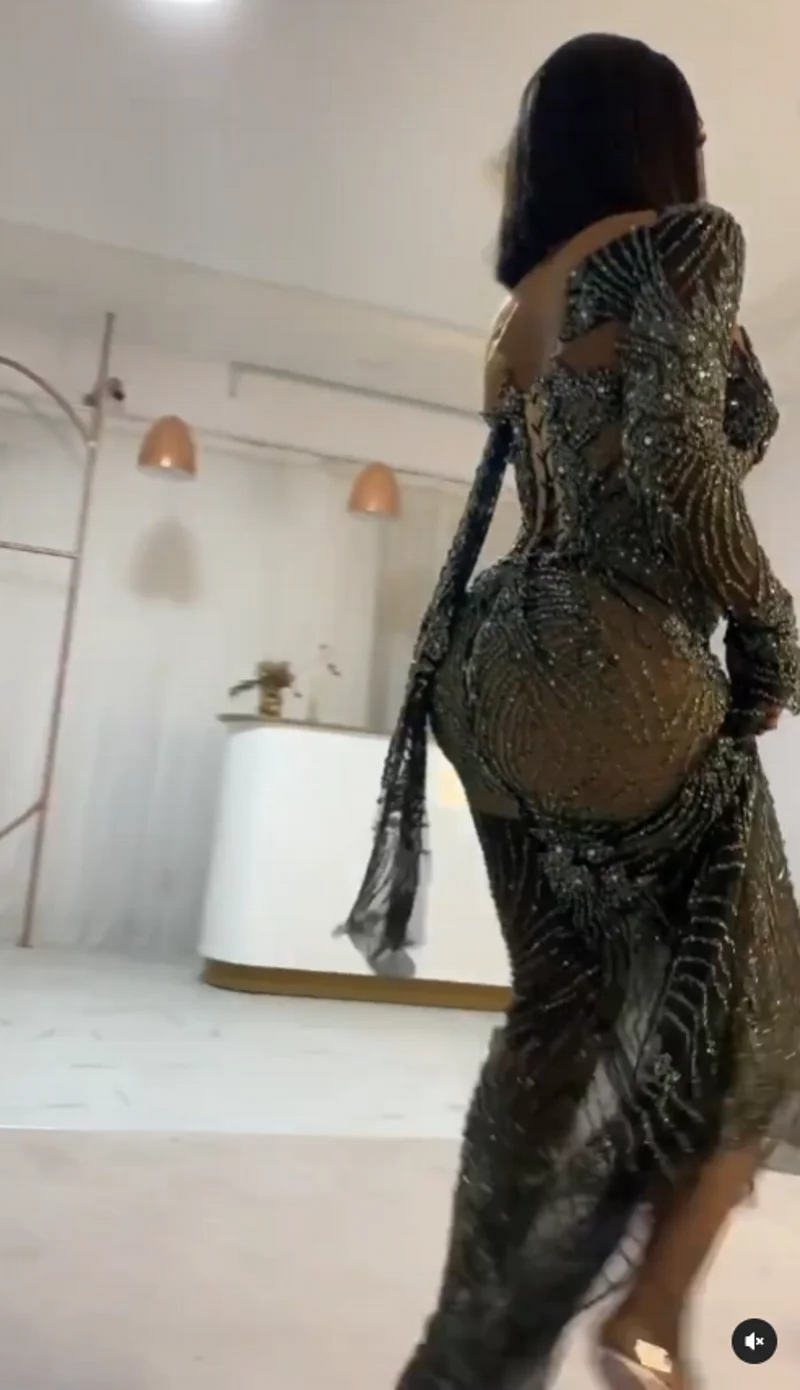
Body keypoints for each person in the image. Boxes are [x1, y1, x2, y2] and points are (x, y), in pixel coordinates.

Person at [340, 32, 800, 1390]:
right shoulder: (686, 242)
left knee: (558, 1018)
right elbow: (678, 459)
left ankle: (469, 1353)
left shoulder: (522, 303)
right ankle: (646, 1317)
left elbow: (604, 456)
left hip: (488, 670)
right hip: (618, 655)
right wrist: (771, 625)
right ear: (669, 140)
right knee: (765, 1008)